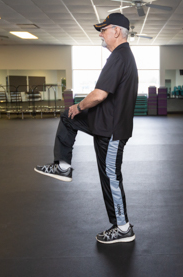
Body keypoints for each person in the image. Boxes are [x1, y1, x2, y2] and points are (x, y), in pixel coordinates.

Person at [34, 13, 138, 244]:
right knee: (68, 116)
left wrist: (79, 106)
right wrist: (76, 110)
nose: (100, 35)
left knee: (111, 177)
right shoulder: (119, 57)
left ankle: (123, 228)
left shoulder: (120, 57)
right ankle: (62, 166)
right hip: (102, 124)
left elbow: (100, 94)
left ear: (117, 32)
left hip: (112, 131)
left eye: (104, 30)